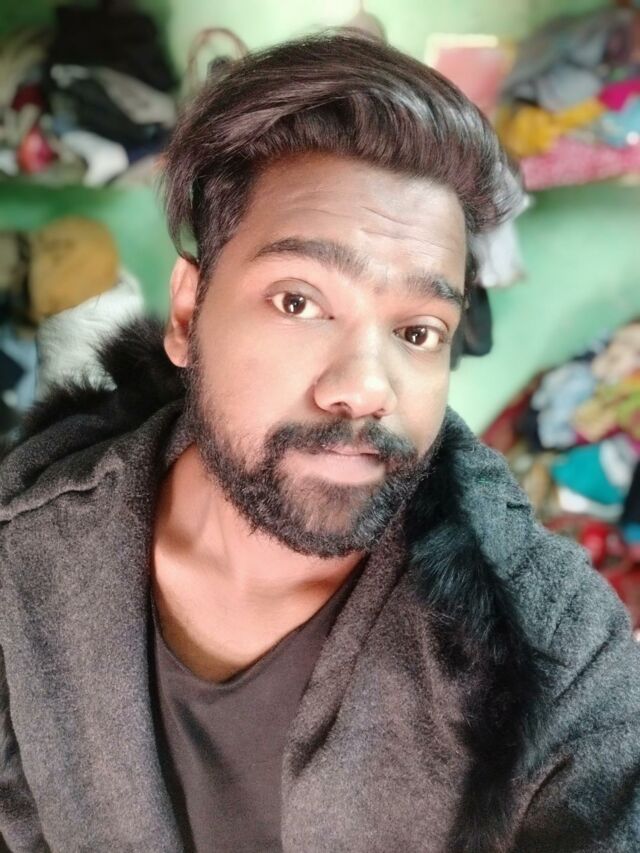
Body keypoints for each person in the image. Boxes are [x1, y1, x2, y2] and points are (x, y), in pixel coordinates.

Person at [0, 33, 638, 853]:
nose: (366, 388)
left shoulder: (551, 645)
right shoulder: (28, 557)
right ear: (189, 315)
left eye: (417, 330)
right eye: (299, 301)